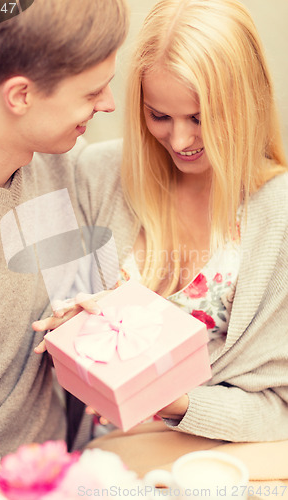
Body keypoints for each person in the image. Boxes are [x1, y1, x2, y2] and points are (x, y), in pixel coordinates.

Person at [40, 0, 288, 476]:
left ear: (247, 102)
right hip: (96, 466)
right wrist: (71, 328)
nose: (178, 141)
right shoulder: (97, 174)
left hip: (209, 468)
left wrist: (175, 402)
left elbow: (280, 406)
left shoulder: (276, 214)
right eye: (159, 116)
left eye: (201, 117)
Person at [0, 0, 129, 489]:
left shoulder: (56, 162)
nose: (109, 104)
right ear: (20, 95)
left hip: (75, 460)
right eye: (93, 91)